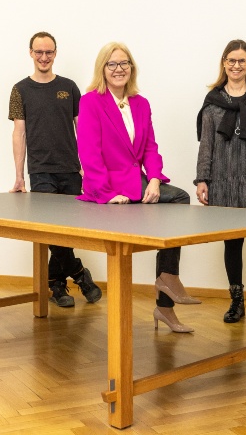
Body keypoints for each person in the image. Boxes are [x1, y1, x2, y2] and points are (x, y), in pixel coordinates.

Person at [76, 41, 197, 333]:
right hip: (107, 186)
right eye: (112, 64)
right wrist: (107, 194)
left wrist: (154, 179)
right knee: (157, 217)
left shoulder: (141, 104)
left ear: (132, 68)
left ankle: (166, 285)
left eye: (124, 63)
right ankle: (166, 288)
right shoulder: (91, 101)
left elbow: (151, 148)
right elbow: (88, 153)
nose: (119, 69)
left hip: (138, 182)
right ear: (102, 69)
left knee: (178, 198)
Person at [8, 31, 102, 308]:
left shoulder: (69, 87)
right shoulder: (20, 90)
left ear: (55, 53)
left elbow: (82, 129)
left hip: (71, 171)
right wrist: (18, 176)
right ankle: (80, 275)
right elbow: (18, 133)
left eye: (49, 52)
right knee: (51, 231)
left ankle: (57, 285)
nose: (44, 57)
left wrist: (88, 168)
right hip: (40, 172)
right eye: (39, 52)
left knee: (66, 232)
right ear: (30, 53)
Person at [194, 40, 246, 333]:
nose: (236, 66)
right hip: (223, 181)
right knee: (232, 245)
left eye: (242, 61)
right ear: (224, 63)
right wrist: (202, 179)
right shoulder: (213, 101)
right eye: (231, 60)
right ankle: (237, 301)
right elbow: (206, 143)